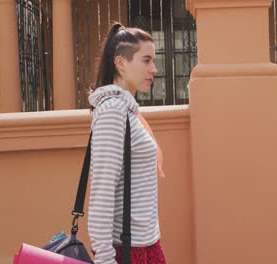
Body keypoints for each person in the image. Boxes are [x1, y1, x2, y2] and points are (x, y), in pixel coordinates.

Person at [87, 22, 166, 264]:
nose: (153, 68)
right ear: (120, 63)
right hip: (127, 251)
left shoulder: (127, 110)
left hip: (144, 243)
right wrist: (106, 261)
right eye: (146, 60)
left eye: (153, 60)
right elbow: (102, 194)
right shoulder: (113, 111)